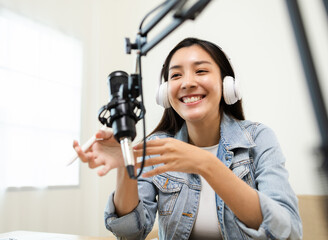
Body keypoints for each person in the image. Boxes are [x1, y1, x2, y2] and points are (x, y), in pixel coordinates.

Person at [73, 37, 302, 240]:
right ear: (165, 93)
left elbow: (288, 232)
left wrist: (207, 164)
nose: (187, 83)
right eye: (176, 75)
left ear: (227, 84)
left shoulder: (259, 138)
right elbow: (130, 233)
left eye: (201, 71)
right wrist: (126, 164)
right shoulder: (157, 147)